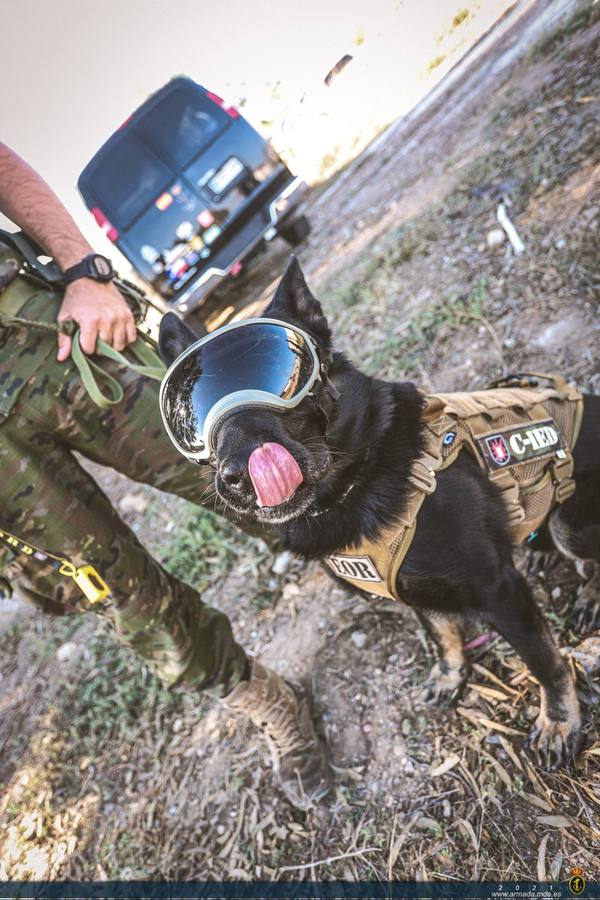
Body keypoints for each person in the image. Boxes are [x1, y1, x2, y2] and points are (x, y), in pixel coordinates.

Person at [0, 142, 331, 808]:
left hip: (42, 335)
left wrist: (83, 270)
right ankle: (270, 704)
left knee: (227, 450)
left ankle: (393, 564)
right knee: (117, 590)